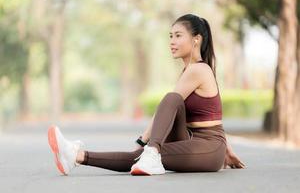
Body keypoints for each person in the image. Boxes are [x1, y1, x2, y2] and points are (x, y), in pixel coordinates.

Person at [47, 13, 245, 176]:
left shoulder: (198, 70)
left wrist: (144, 141)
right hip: (196, 142)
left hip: (207, 148)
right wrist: (228, 150)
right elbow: (206, 113)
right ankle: (75, 157)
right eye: (170, 36)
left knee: (169, 102)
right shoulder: (190, 71)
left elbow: (207, 124)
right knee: (169, 105)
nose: (172, 42)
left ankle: (80, 155)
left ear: (196, 40)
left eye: (178, 35)